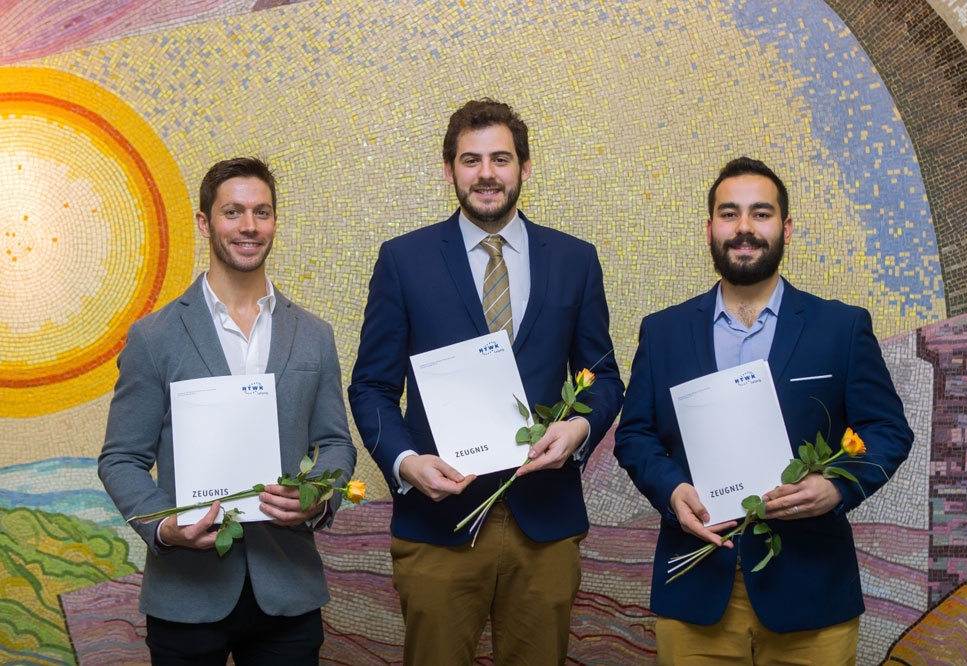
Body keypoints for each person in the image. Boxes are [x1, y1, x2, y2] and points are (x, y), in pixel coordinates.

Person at [348, 98, 624, 665]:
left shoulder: (576, 260)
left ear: (525, 167)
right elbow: (371, 387)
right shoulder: (404, 260)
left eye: (500, 158)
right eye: (470, 160)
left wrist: (578, 431)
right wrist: (405, 463)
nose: (487, 174)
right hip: (438, 521)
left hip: (544, 526)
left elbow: (604, 379)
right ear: (449, 170)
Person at [614, 157, 913, 664]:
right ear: (709, 229)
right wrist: (672, 490)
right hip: (696, 591)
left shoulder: (841, 328)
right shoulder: (662, 331)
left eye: (761, 213)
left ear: (786, 228)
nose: (745, 228)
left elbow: (887, 430)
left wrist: (840, 486)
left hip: (812, 592)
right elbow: (636, 434)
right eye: (729, 214)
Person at [99, 157, 356, 665]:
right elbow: (121, 458)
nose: (248, 226)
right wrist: (162, 527)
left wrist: (320, 497)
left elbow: (336, 442)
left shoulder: (314, 335)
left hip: (289, 589)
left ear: (275, 223)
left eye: (262, 212)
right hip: (185, 595)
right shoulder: (154, 337)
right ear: (204, 222)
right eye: (233, 212)